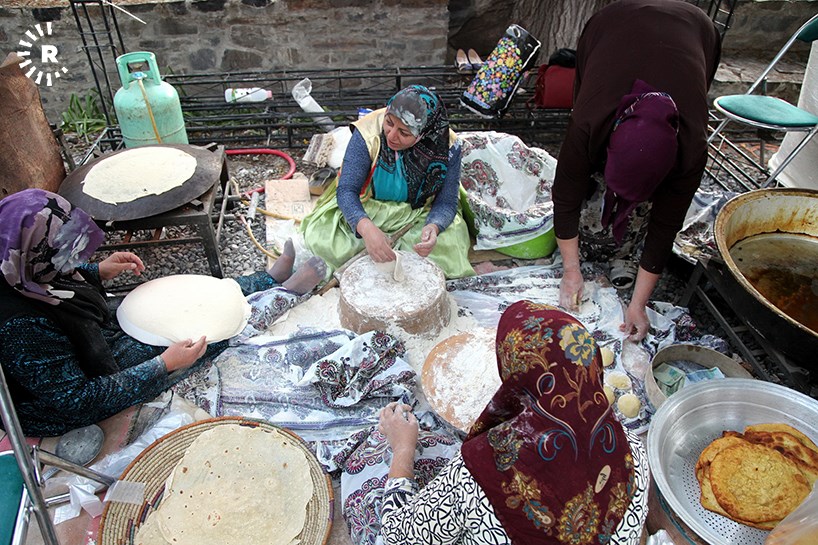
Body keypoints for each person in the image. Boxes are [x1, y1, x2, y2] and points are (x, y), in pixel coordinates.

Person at [0, 188, 325, 437]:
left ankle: (267, 278)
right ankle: (285, 294)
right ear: (37, 255)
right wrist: (164, 364)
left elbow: (53, 273)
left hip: (78, 334)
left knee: (178, 298)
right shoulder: (21, 329)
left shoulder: (18, 265)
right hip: (68, 396)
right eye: (67, 254)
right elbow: (78, 400)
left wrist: (96, 271)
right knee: (199, 333)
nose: (73, 261)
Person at [343, 301, 648, 545]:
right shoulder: (634, 454)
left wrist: (402, 449)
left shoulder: (482, 472)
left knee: (366, 490)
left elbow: (401, 536)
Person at [551, 0, 722, 341]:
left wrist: (638, 304)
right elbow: (565, 196)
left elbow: (665, 227)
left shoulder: (691, 149)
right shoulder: (589, 122)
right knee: (587, 184)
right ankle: (601, 225)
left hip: (694, 29)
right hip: (612, 25)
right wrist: (571, 269)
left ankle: (626, 246)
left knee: (649, 208)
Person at [300, 85, 474, 279]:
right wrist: (365, 228)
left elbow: (447, 201)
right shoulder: (367, 132)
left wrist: (434, 226)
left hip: (418, 213)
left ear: (424, 134)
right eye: (389, 123)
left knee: (450, 245)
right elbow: (347, 190)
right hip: (368, 207)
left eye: (404, 133)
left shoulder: (446, 145)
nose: (391, 136)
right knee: (325, 243)